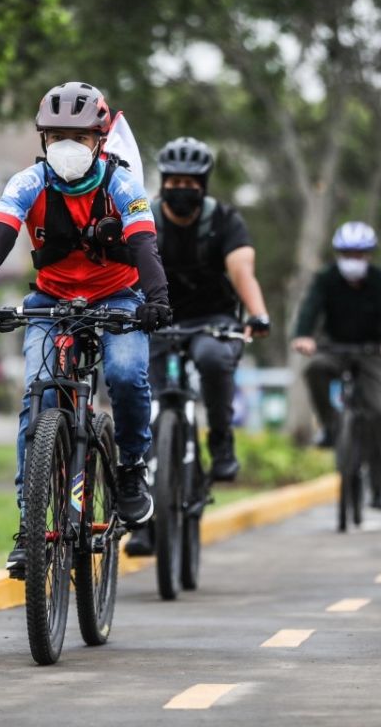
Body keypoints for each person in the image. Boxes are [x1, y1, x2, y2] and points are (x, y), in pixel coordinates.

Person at [0, 81, 171, 578]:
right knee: (38, 397)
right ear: (42, 139)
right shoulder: (27, 183)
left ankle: (133, 470)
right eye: (56, 136)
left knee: (125, 370)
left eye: (79, 136)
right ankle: (30, 528)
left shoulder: (122, 184)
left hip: (119, 298)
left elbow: (144, 247)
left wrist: (156, 301)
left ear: (100, 139)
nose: (66, 147)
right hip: (51, 301)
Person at [125, 137, 271, 557]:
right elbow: (128, 269)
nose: (182, 188)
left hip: (214, 321)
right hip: (157, 319)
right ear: (163, 182)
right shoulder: (146, 218)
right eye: (174, 180)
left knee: (211, 358)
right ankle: (142, 521)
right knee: (143, 406)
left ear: (203, 185)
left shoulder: (224, 220)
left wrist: (256, 315)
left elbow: (243, 271)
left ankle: (221, 443)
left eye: (191, 181)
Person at [291, 221, 381, 510]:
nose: (352, 261)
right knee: (314, 369)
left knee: (379, 413)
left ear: (368, 256)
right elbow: (310, 308)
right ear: (338, 254)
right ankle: (331, 426)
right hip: (335, 347)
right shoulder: (326, 278)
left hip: (372, 352)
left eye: (359, 255)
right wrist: (304, 335)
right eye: (347, 254)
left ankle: (378, 485)